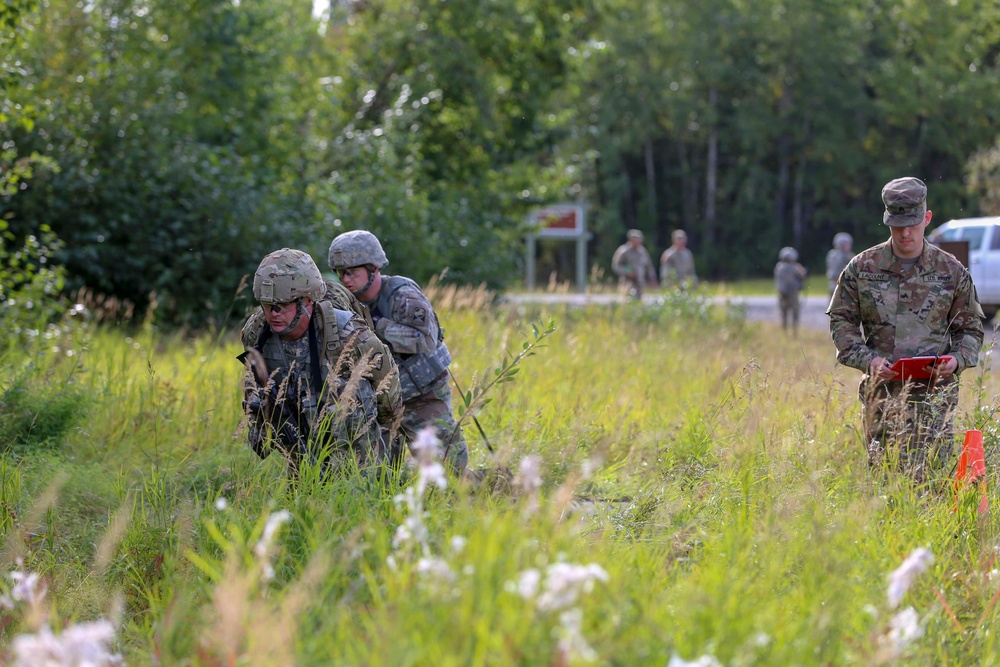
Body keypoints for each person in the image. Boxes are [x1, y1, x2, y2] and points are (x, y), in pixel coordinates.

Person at [827, 177, 984, 483]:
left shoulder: (951, 271)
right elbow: (841, 323)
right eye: (898, 225)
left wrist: (956, 360)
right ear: (887, 221)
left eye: (912, 223)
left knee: (933, 483)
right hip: (881, 398)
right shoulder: (862, 268)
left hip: (934, 400)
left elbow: (971, 330)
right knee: (884, 485)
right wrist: (867, 360)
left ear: (927, 218)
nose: (906, 233)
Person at [239, 248, 402, 479]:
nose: (272, 313)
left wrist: (381, 428)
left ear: (306, 301)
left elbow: (388, 391)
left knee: (349, 395)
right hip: (300, 425)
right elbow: (254, 381)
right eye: (266, 305)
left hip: (353, 440)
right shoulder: (257, 333)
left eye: (281, 305)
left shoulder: (349, 334)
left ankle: (369, 477)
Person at [327, 230, 469, 476]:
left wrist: (377, 326)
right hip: (381, 400)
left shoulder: (403, 296)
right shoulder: (348, 304)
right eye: (341, 273)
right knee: (376, 473)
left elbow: (426, 340)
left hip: (423, 396)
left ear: (373, 269)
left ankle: (498, 482)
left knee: (448, 473)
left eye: (352, 272)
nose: (345, 279)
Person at [611, 229, 657, 299]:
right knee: (626, 301)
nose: (638, 241)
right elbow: (616, 266)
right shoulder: (623, 251)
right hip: (626, 282)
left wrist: (653, 278)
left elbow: (649, 266)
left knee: (638, 304)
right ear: (630, 240)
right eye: (636, 239)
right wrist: (627, 271)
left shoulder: (643, 251)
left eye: (639, 239)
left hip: (639, 283)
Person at [774, 246, 807, 334]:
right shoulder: (795, 267)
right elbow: (802, 275)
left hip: (782, 294)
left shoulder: (779, 267)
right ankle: (794, 331)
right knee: (795, 313)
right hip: (793, 294)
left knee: (784, 314)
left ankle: (784, 331)